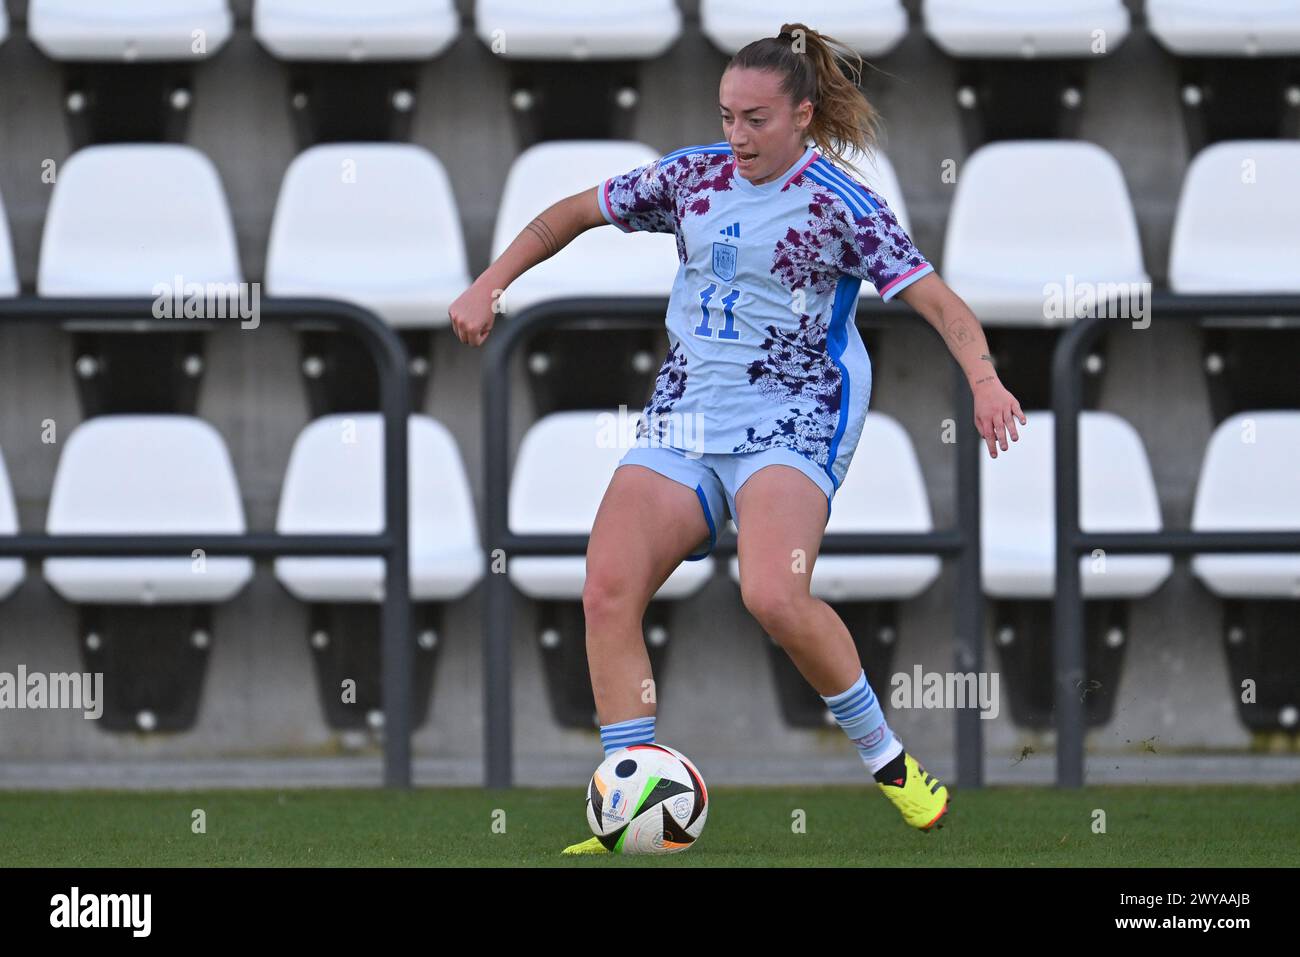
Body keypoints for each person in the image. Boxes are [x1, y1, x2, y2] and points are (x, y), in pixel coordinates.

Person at [449, 23, 1026, 854]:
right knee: (607, 588)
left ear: (802, 114)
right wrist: (490, 281)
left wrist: (983, 379)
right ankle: (631, 801)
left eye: (756, 119)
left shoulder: (842, 202)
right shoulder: (692, 177)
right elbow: (573, 212)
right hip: (685, 414)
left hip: (792, 419)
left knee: (773, 595)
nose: (737, 135)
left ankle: (890, 762)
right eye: (727, 116)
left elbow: (938, 302)